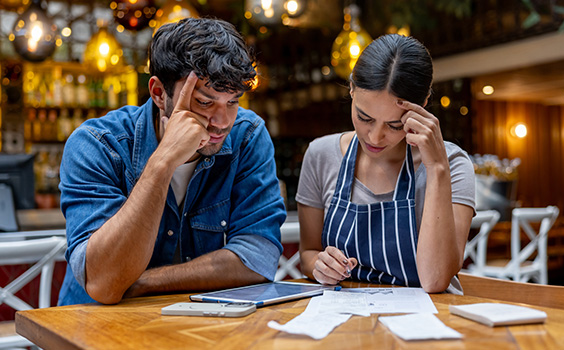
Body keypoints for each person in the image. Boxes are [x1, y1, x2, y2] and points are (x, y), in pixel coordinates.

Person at [58, 17, 286, 305]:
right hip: (92, 328)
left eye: (233, 101)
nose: (222, 122)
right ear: (158, 93)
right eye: (204, 102)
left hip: (198, 326)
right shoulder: (97, 144)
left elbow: (258, 258)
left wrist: (140, 283)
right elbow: (105, 283)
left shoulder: (247, 135)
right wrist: (162, 163)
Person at [296, 34, 475, 293]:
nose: (375, 137)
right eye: (364, 117)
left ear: (423, 106)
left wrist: (436, 168)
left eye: (394, 125)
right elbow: (308, 254)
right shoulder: (321, 155)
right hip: (345, 319)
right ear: (351, 89)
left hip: (426, 322)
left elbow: (436, 280)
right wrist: (320, 265)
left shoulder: (454, 165)